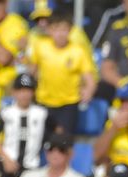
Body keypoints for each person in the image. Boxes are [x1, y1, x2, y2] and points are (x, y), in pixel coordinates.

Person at [28, 8, 94, 136]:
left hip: (69, 103)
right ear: (50, 30)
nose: (60, 34)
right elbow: (32, 72)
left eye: (64, 29)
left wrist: (88, 91)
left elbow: (89, 78)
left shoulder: (78, 51)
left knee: (64, 141)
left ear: (70, 30)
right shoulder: (41, 46)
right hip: (44, 101)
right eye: (56, 29)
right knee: (42, 139)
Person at [0, 73, 49, 177]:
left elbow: (55, 133)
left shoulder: (42, 113)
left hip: (32, 166)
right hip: (9, 166)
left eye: (28, 90)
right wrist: (6, 159)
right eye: (20, 90)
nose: (24, 94)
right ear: (13, 92)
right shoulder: (6, 113)